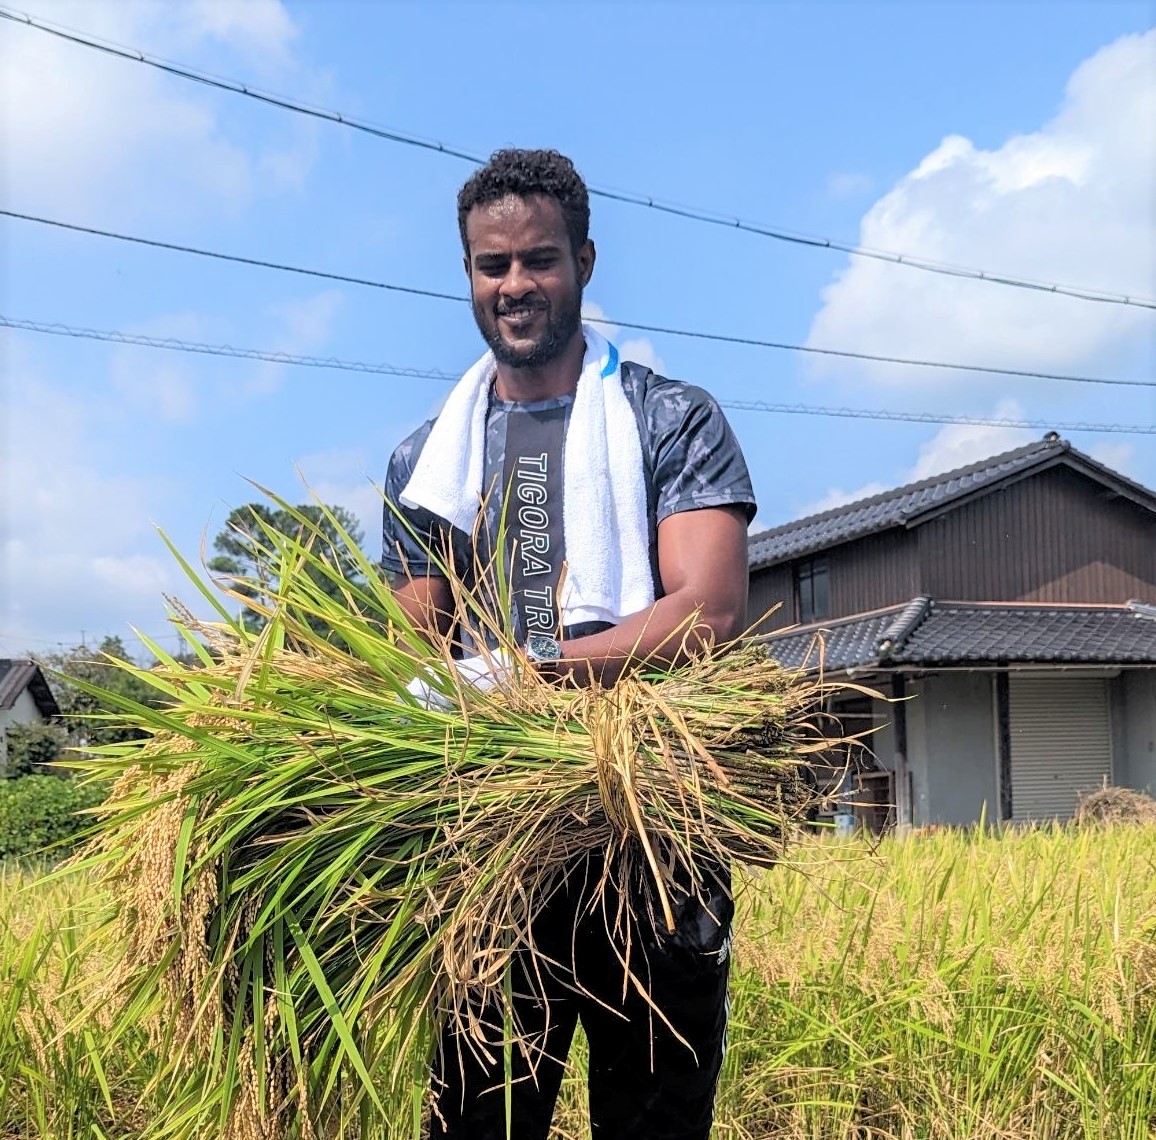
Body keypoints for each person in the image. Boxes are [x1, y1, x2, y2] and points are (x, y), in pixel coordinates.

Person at [382, 148, 756, 1140]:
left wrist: (530, 671)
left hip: (650, 828)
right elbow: (413, 650)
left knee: (651, 1120)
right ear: (467, 275)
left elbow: (707, 613)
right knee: (478, 1120)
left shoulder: (669, 420)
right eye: (490, 266)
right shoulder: (429, 461)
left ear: (584, 261)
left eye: (537, 261)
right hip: (492, 844)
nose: (514, 286)